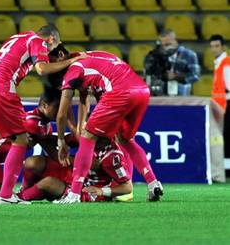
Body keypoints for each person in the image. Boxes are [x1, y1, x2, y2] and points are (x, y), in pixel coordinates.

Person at [0, 24, 85, 205]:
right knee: (20, 139)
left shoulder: (17, 38)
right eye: (55, 45)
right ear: (51, 39)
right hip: (1, 88)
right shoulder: (38, 41)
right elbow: (42, 69)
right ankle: (6, 195)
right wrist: (70, 62)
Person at [51, 47, 163, 204]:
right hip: (142, 90)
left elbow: (62, 114)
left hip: (119, 92)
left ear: (61, 56)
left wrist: (61, 140)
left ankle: (74, 193)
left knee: (88, 137)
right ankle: (153, 183)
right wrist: (80, 127)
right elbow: (84, 99)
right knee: (126, 139)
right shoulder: (93, 57)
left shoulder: (72, 70)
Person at [18, 137, 133, 203]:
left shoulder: (112, 157)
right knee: (32, 163)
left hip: (86, 189)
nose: (86, 131)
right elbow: (58, 141)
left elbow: (128, 187)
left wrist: (102, 191)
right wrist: (40, 136)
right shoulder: (87, 135)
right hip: (72, 173)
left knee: (47, 183)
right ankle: (23, 190)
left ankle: (20, 198)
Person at [144, 29, 200, 96]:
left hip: (182, 98)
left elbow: (195, 76)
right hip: (160, 97)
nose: (165, 48)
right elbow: (148, 76)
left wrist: (176, 76)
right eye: (162, 45)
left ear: (176, 41)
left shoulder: (189, 54)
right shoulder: (155, 56)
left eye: (168, 44)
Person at [209, 34, 230, 169]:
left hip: (227, 104)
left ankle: (227, 168)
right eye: (212, 46)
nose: (214, 49)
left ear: (222, 47)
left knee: (227, 136)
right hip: (222, 105)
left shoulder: (226, 62)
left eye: (217, 46)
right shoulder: (219, 63)